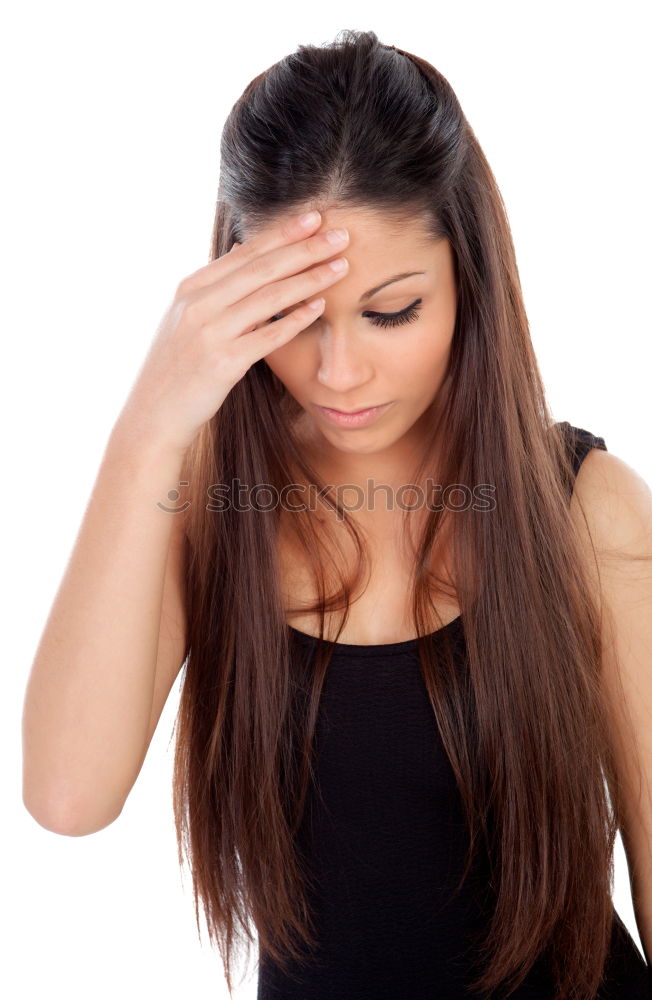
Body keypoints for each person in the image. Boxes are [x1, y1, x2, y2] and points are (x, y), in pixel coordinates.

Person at [22, 28, 652, 1000]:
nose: (338, 372)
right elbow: (68, 797)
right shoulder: (203, 510)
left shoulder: (587, 511)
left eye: (391, 311)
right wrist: (150, 425)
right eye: (293, 316)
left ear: (468, 287)